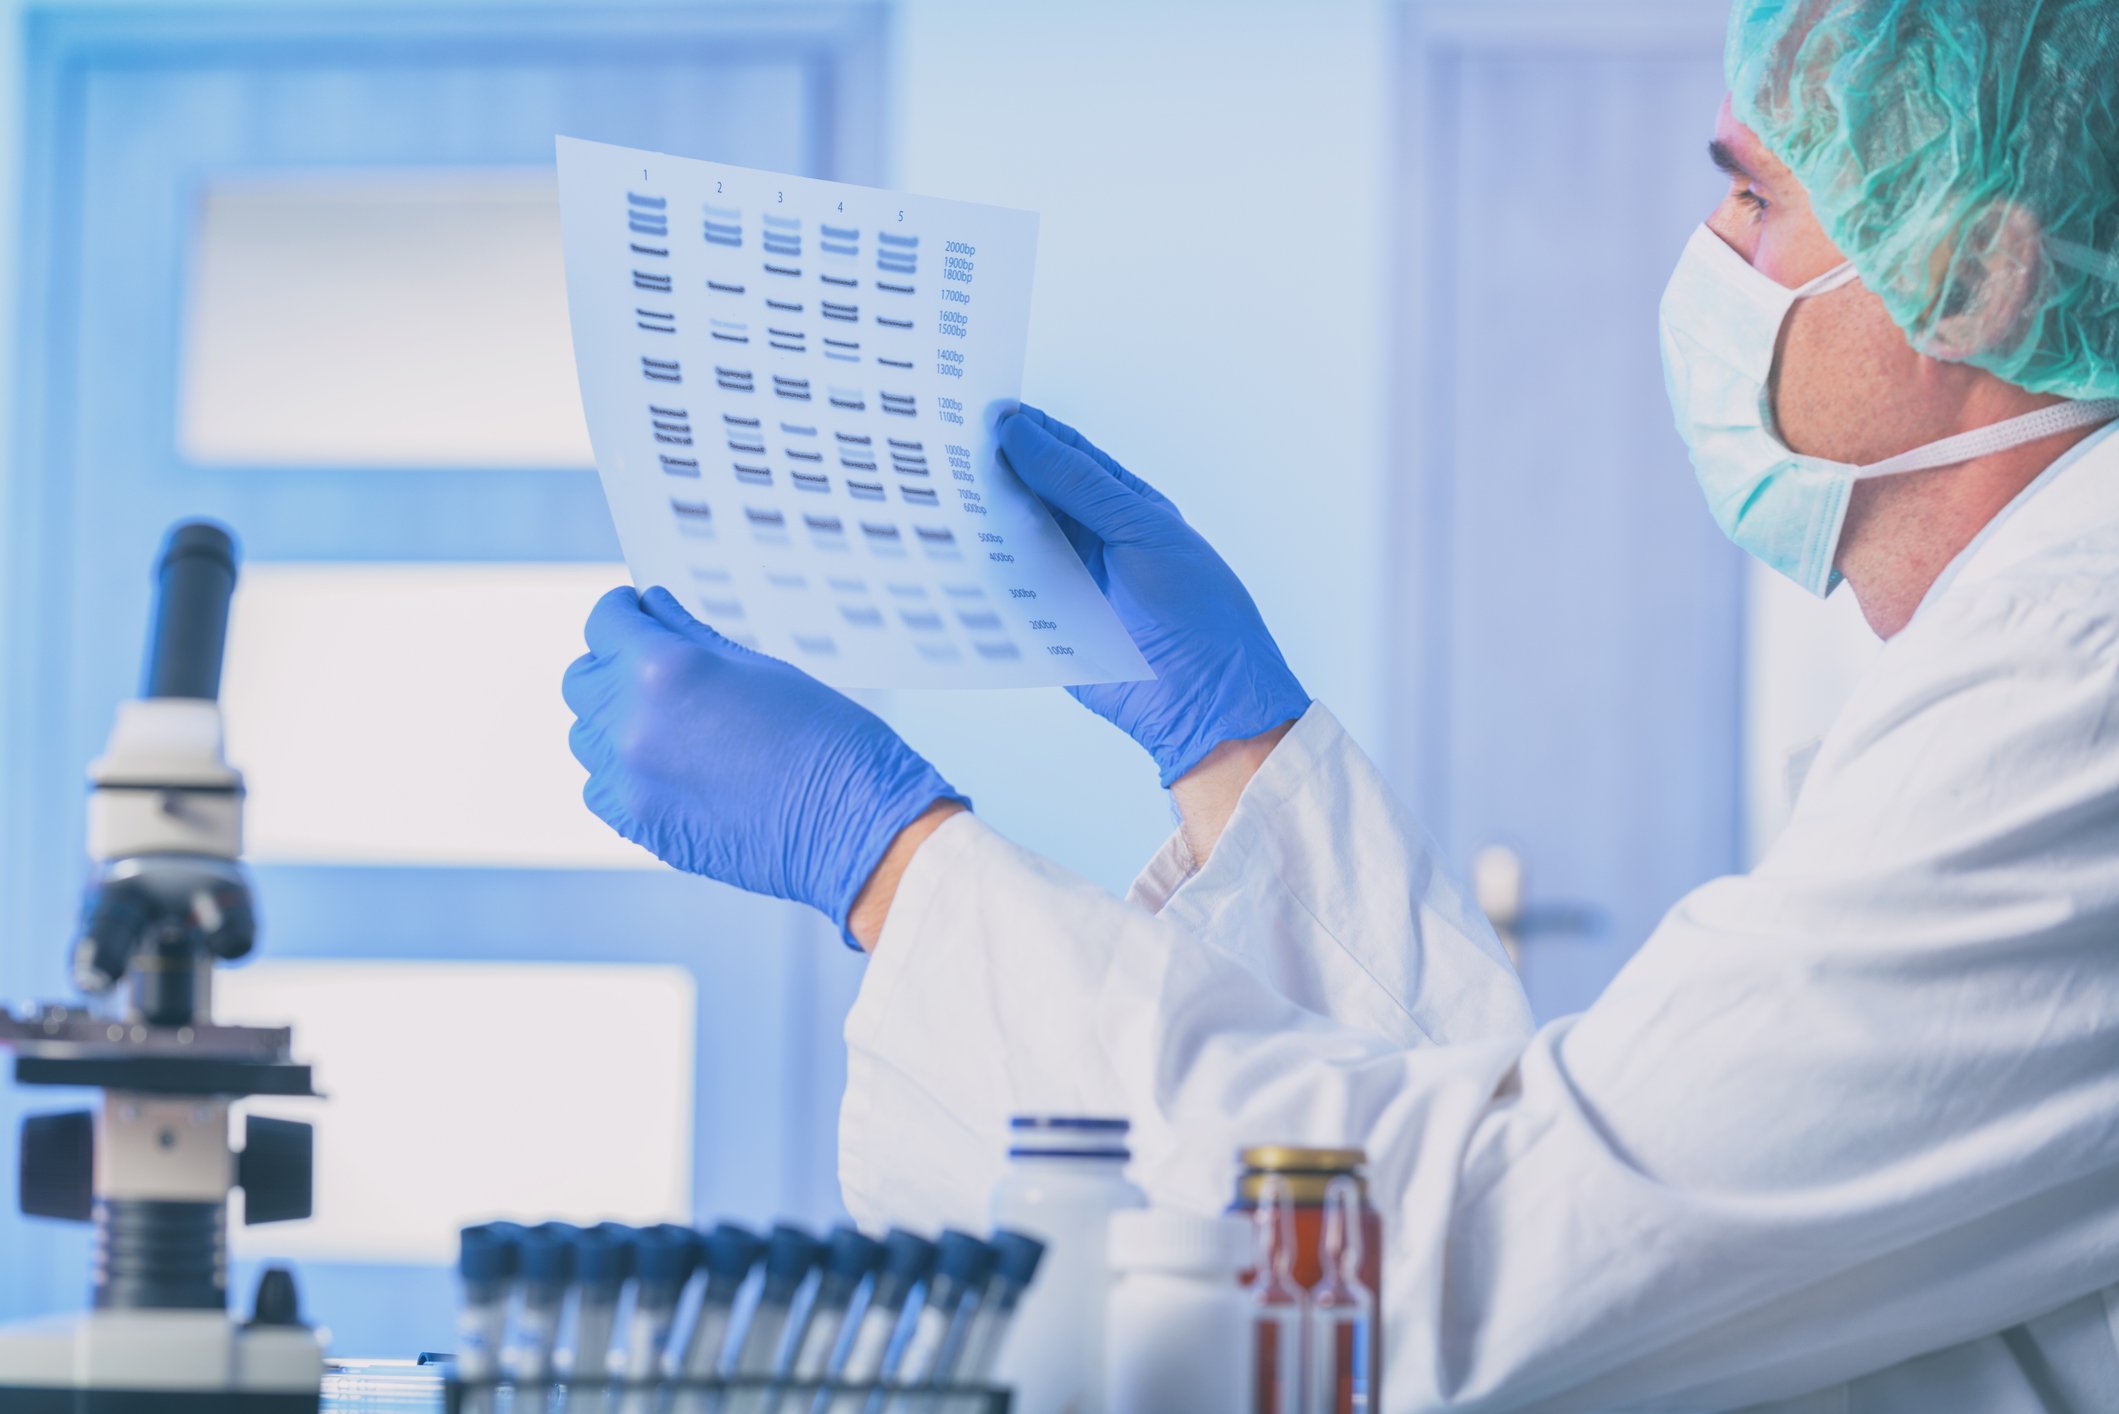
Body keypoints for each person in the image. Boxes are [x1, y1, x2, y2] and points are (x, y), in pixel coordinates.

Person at [562, 1, 2119, 1407]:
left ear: (1976, 276)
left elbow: (1488, 1263)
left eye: (1757, 199)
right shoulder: (2031, 637)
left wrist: (889, 863)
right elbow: (1591, 1195)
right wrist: (1233, 753)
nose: (1707, 254)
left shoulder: (2077, 664)